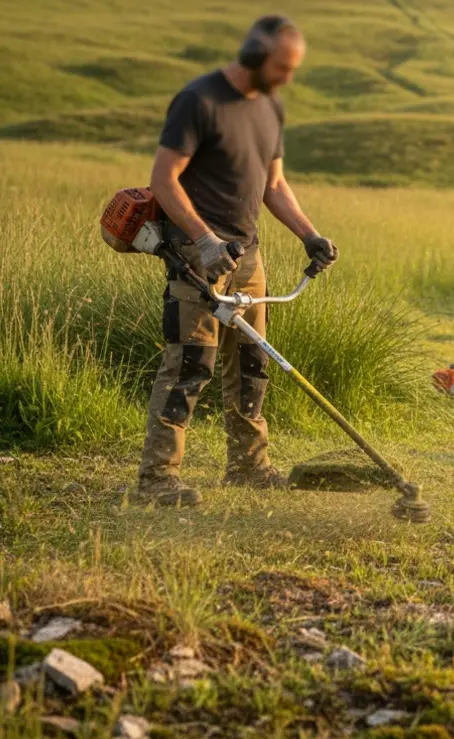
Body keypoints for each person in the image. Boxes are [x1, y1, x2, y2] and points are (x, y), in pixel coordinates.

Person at [137, 14, 337, 506]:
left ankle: (249, 466)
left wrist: (309, 235)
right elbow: (164, 179)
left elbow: (273, 184)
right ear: (252, 56)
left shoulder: (270, 108)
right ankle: (156, 479)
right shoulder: (198, 101)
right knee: (190, 366)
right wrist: (204, 240)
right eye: (282, 67)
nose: (288, 78)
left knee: (252, 365)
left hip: (248, 255)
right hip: (196, 257)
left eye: (293, 68)